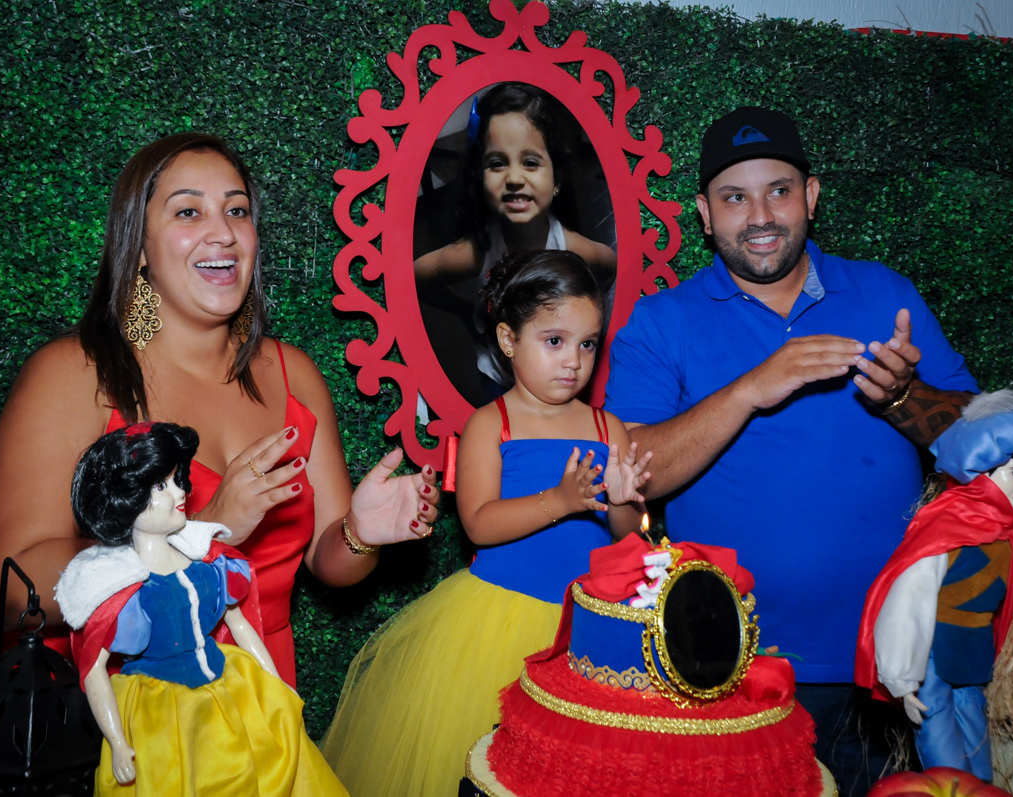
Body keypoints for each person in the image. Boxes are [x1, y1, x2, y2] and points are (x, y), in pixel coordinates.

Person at [602, 107, 981, 795]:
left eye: (778, 190)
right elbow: (636, 469)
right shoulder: (660, 322)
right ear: (705, 214)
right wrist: (751, 388)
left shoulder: (885, 293)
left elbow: (976, 445)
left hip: (885, 665)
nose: (760, 214)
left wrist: (904, 398)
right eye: (734, 197)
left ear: (810, 195)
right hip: (730, 666)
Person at [0, 132, 440, 688]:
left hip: (262, 712)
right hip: (123, 719)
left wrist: (361, 534)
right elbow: (9, 593)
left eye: (237, 211)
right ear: (140, 246)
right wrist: (195, 532)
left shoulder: (295, 376)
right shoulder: (74, 374)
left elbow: (328, 562)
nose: (222, 233)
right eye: (189, 211)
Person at [322, 250, 651, 797]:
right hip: (495, 625)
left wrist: (623, 503)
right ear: (507, 340)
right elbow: (477, 524)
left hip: (587, 633)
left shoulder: (607, 426)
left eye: (587, 344)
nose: (573, 360)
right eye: (554, 341)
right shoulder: (488, 425)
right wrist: (561, 499)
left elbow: (631, 538)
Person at [57, 421, 347, 795]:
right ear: (126, 499)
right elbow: (94, 668)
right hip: (159, 711)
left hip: (230, 690)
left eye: (177, 480)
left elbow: (240, 626)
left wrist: (276, 686)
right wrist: (116, 740)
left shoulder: (208, 563)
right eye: (161, 485)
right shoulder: (123, 590)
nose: (179, 492)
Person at [856, 390, 1013, 780]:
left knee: (977, 755)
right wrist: (901, 678)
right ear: (981, 473)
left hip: (972, 655)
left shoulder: (1002, 530)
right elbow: (908, 601)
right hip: (932, 657)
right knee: (943, 754)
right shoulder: (946, 527)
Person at [414, 83, 616, 402]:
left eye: (530, 162)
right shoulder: (475, 253)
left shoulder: (578, 250)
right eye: (497, 163)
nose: (514, 178)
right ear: (480, 176)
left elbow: (611, 268)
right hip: (498, 386)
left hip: (562, 382)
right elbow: (413, 277)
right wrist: (464, 311)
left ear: (557, 176)